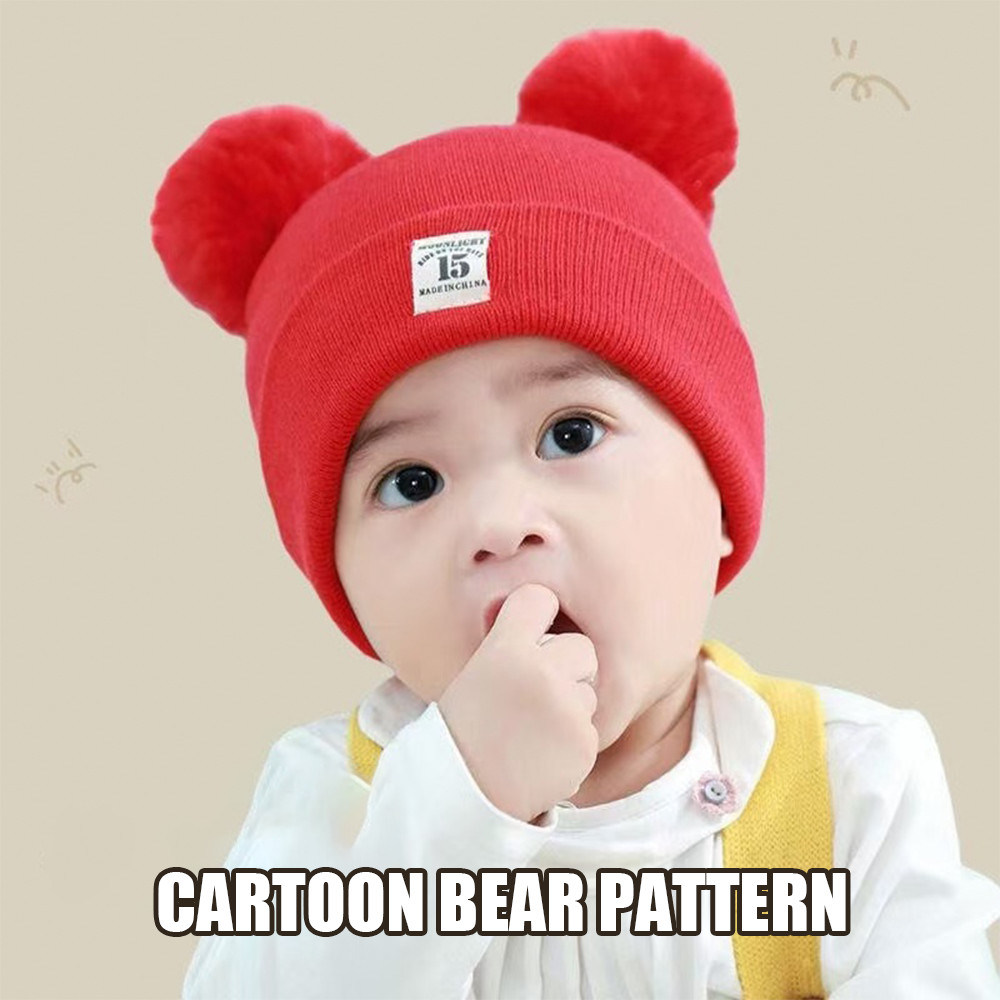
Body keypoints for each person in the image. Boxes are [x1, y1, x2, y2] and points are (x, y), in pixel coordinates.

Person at [150, 25, 1000, 999]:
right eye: (412, 482)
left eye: (571, 433)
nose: (500, 523)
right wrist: (455, 803)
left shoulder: (849, 781)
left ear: (722, 498)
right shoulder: (330, 799)